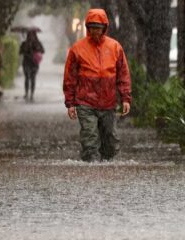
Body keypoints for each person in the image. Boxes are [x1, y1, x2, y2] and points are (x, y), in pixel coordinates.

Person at [63, 9, 132, 162]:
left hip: (108, 103)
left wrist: (125, 98)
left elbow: (123, 74)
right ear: (88, 27)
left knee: (111, 142)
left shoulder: (115, 47)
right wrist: (70, 103)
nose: (95, 31)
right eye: (92, 27)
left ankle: (105, 170)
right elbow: (70, 77)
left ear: (104, 28)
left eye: (98, 27)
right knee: (90, 140)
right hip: (85, 102)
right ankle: (91, 171)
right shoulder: (77, 49)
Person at [19, 30, 44, 101]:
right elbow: (20, 52)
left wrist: (37, 49)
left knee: (33, 78)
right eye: (29, 35)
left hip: (34, 64)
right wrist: (25, 48)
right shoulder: (24, 43)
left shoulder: (38, 43)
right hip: (26, 63)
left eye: (32, 35)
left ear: (35, 35)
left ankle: (32, 94)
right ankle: (26, 93)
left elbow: (42, 51)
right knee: (27, 78)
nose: (31, 36)